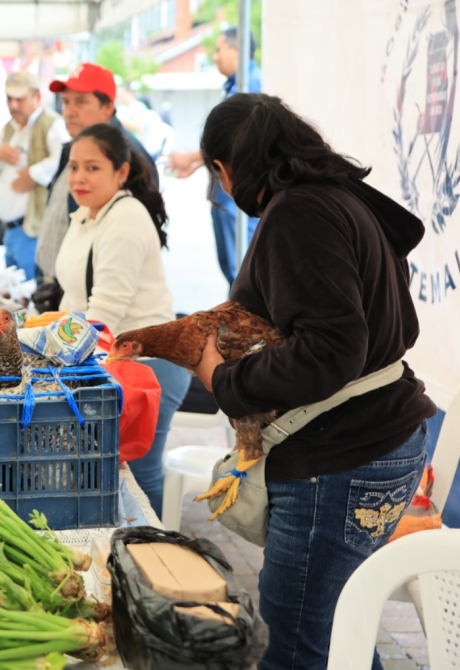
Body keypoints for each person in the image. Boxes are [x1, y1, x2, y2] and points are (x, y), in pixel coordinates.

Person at [195, 93, 437, 670]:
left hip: (342, 457)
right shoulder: (340, 199)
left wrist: (224, 378)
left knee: (298, 644)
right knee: (337, 631)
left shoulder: (297, 213)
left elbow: (331, 350)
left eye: (218, 175)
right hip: (383, 439)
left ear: (225, 168)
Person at [57, 123, 189, 515]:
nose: (79, 177)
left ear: (121, 172)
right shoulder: (87, 214)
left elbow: (103, 316)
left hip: (145, 369)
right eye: (73, 166)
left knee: (140, 475)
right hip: (110, 362)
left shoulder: (125, 218)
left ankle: (162, 561)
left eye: (93, 168)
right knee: (118, 474)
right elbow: (74, 298)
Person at [36, 64, 160, 290]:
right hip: (63, 287)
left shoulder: (128, 156)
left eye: (81, 102)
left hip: (96, 300)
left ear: (108, 106)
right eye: (65, 102)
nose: (69, 111)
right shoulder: (75, 146)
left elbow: (127, 249)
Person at [168, 26, 262, 286]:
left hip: (237, 196)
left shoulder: (250, 85)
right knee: (232, 271)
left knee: (240, 275)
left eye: (219, 49)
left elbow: (236, 140)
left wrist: (191, 157)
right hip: (225, 194)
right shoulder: (236, 85)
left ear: (237, 48)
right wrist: (199, 163)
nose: (215, 57)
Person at [0, 71, 69, 281]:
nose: (13, 106)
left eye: (19, 99)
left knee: (29, 295)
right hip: (10, 230)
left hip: (31, 230)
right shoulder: (10, 128)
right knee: (16, 295)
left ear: (36, 97)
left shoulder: (51, 124)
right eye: (9, 99)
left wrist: (33, 174)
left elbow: (64, 159)